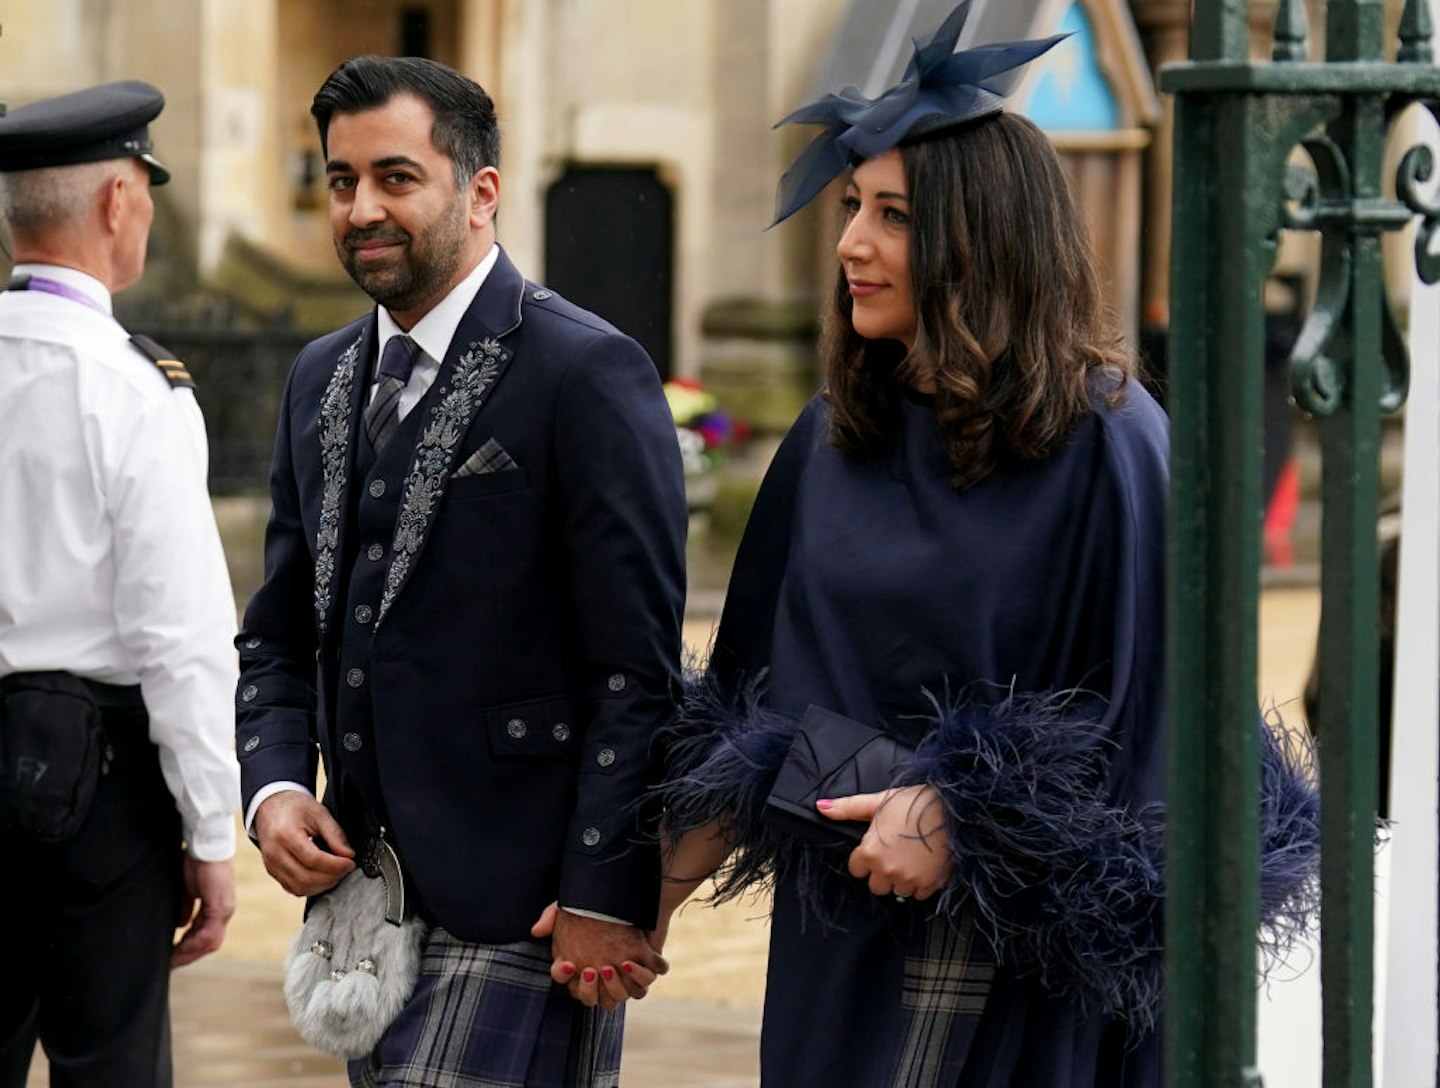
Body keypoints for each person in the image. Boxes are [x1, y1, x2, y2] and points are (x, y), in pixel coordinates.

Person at [561, 5, 1318, 1085]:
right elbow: (744, 709)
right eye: (852, 207)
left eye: (894, 215)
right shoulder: (830, 436)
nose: (852, 244)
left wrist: (967, 810)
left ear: (985, 240)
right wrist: (638, 898)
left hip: (1033, 967)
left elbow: (1157, 738)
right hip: (843, 949)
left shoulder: (1113, 442)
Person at [235, 55, 687, 1086]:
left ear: (481, 192)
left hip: (527, 906)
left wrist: (604, 891)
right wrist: (271, 785)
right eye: (341, 181)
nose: (360, 209)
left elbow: (638, 668)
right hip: (365, 903)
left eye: (396, 177)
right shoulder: (321, 375)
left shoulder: (586, 370)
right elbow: (277, 631)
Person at [0, 82, 241, 1086]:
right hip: (99, 778)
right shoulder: (134, 388)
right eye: (143, 187)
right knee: (112, 1065)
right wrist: (211, 830)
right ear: (115, 202)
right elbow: (177, 634)